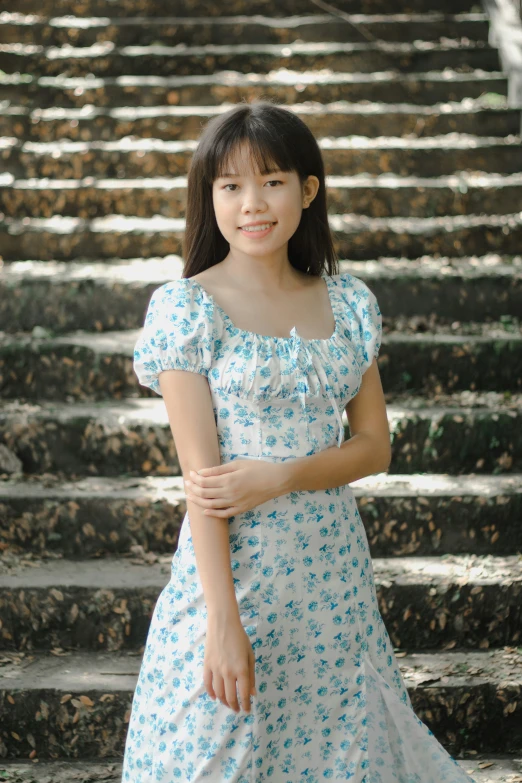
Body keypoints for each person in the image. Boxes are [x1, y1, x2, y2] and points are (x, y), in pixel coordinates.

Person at [123, 100, 477, 782]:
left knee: (339, 757)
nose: (253, 203)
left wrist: (279, 475)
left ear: (307, 189)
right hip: (230, 580)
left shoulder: (346, 304)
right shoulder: (186, 309)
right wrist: (223, 623)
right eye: (231, 186)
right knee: (212, 753)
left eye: (272, 181)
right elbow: (204, 484)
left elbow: (374, 447)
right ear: (210, 198)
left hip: (332, 579)